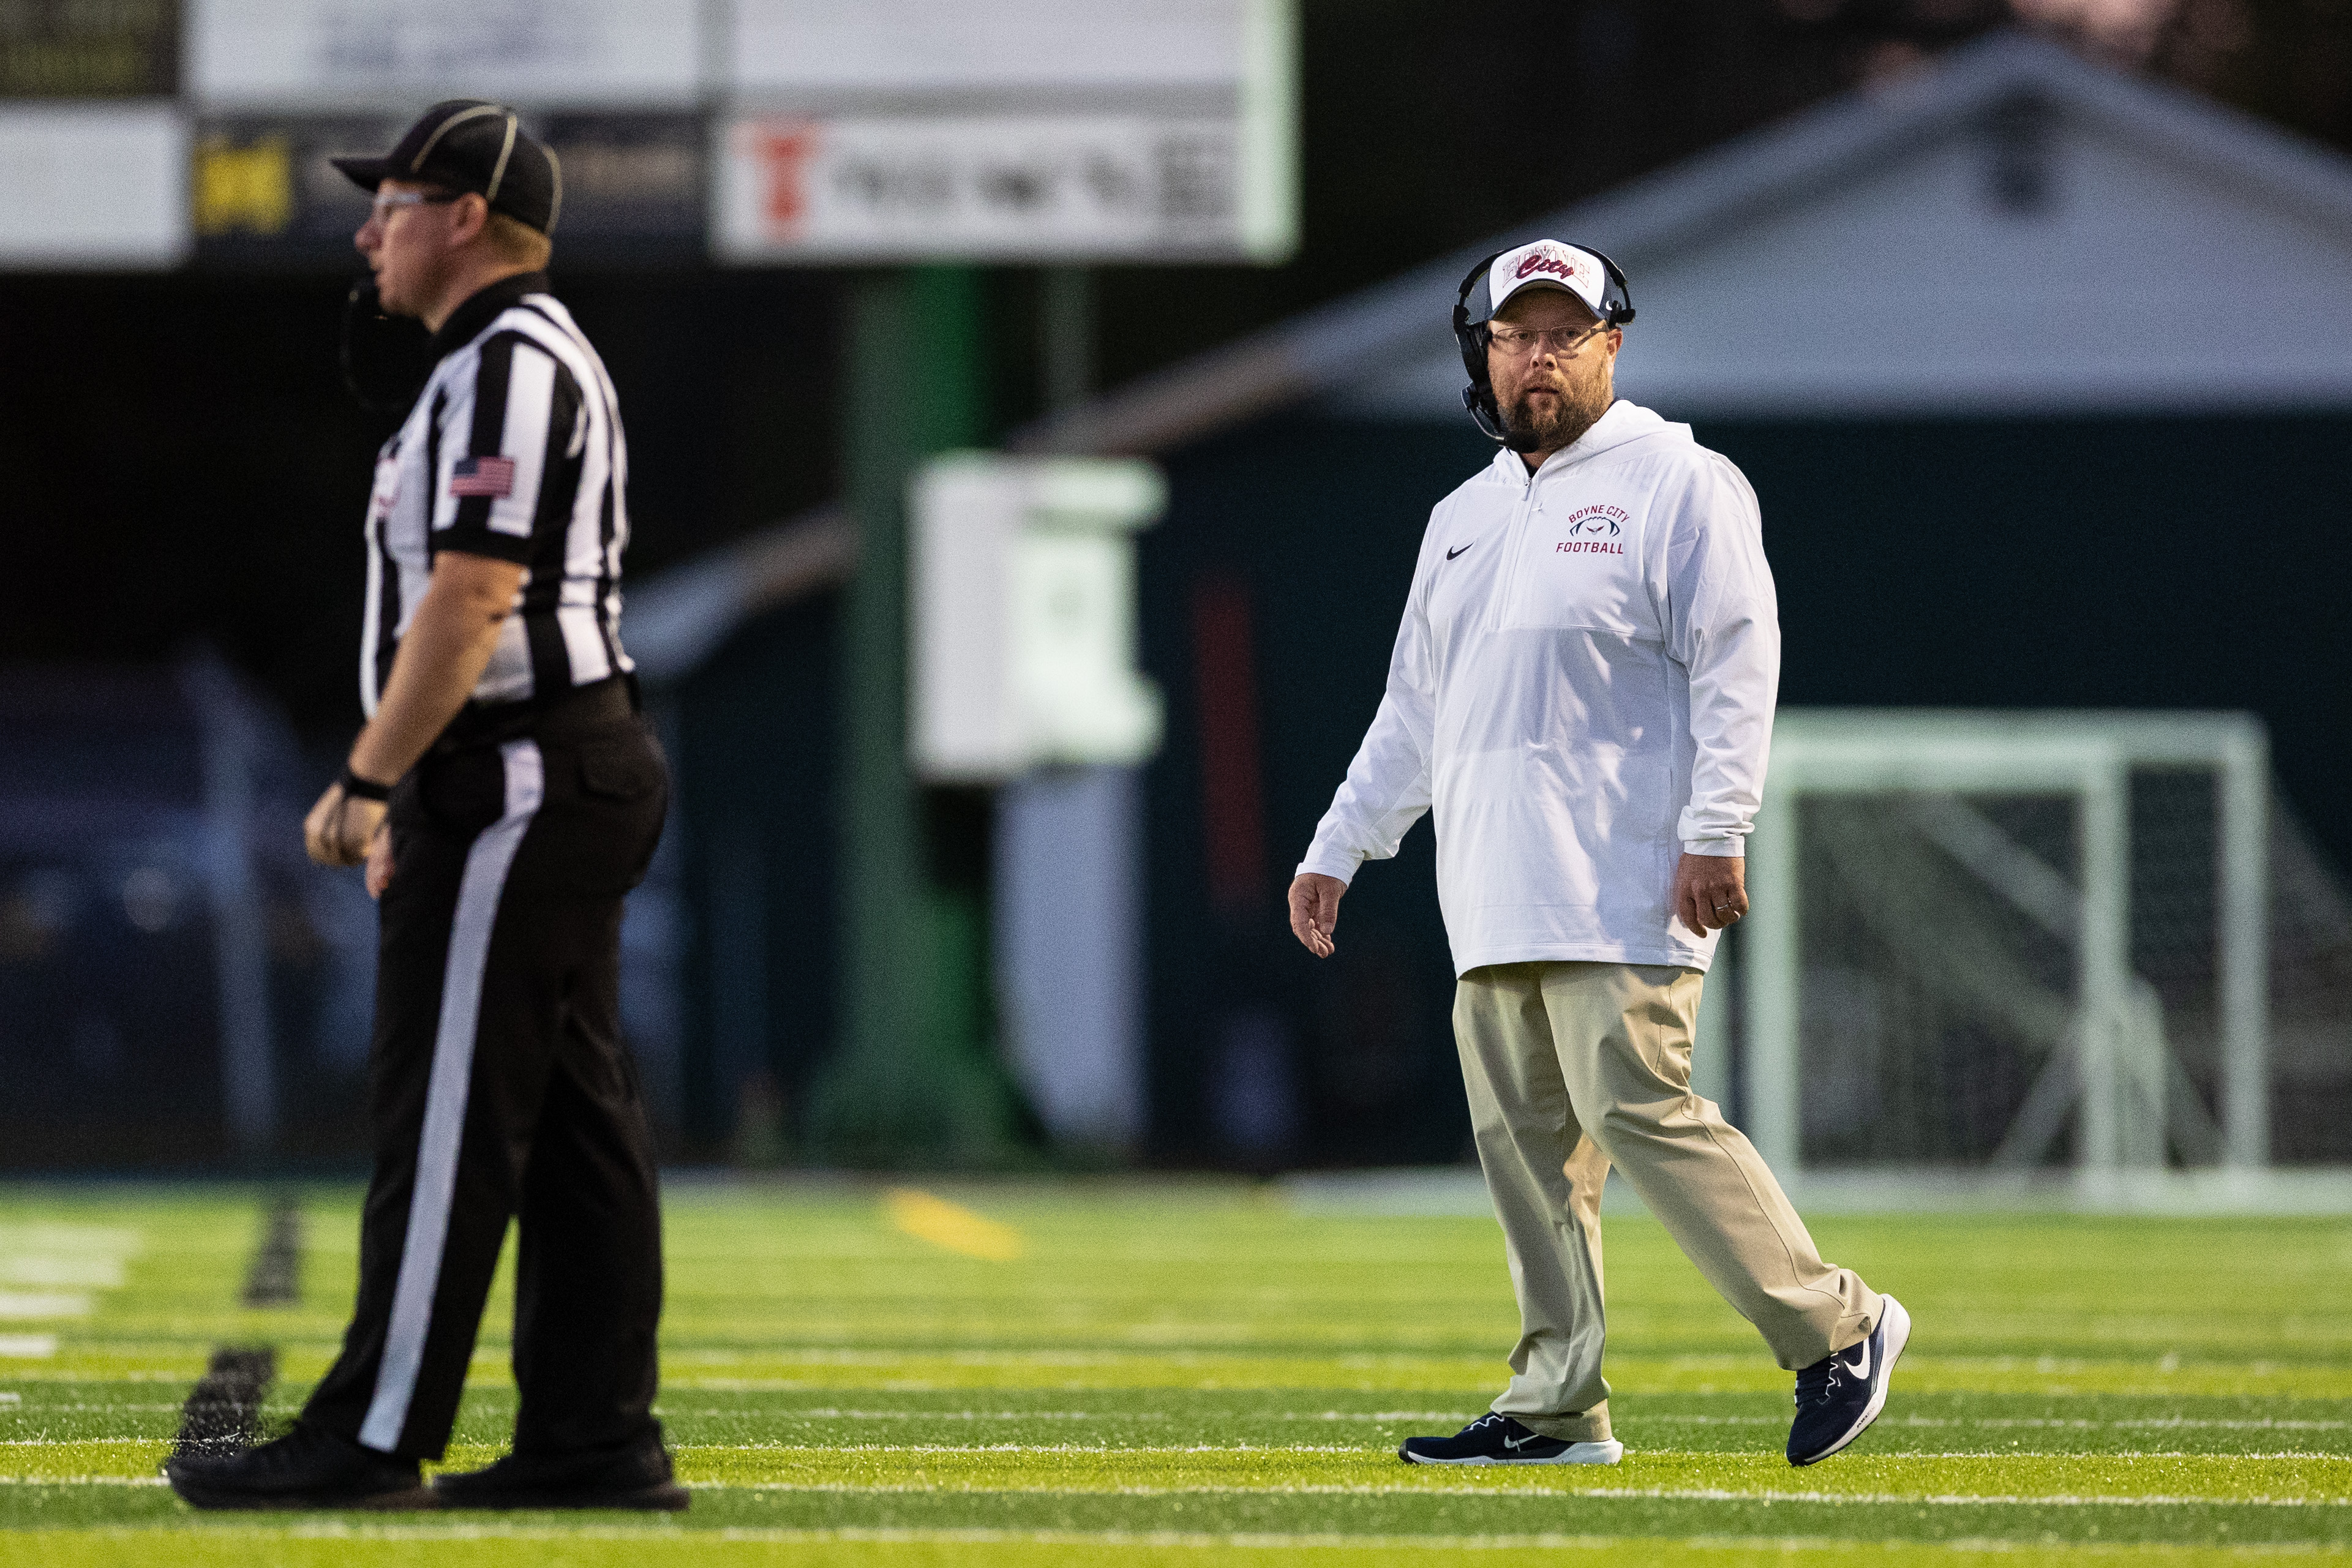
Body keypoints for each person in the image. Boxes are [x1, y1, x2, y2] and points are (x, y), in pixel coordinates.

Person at [1287, 239, 1908, 1469]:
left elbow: (1736, 660)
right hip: (1489, 893)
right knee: (1526, 1159)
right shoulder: (1460, 518)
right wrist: (1338, 845)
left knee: (1641, 1111)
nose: (1538, 357)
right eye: (1515, 335)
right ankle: (1555, 1405)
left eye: (1563, 334)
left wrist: (1717, 828)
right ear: (1483, 353)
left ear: (1610, 344)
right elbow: (1414, 711)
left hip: (1621, 881)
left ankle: (1839, 1325)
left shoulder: (1678, 481)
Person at [165, 102, 683, 1512]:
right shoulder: (492, 365)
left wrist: (371, 777)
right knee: (572, 1121)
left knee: (449, 1109)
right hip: (533, 769)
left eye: (388, 204)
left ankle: (374, 1433)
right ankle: (594, 1439)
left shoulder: (511, 362)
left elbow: (471, 596)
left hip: (524, 771)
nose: (366, 235)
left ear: (463, 216)